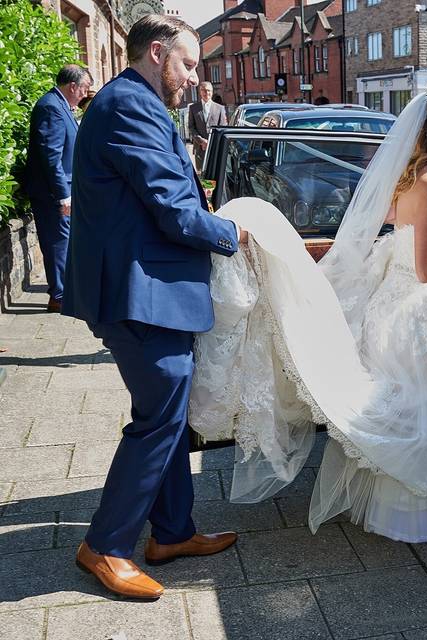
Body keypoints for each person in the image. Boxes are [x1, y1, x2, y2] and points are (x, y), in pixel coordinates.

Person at [190, 83, 427, 547]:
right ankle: (425, 517)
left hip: (407, 306)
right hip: (420, 313)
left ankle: (418, 509)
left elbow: (394, 231)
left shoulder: (420, 180)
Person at [62, 15, 246, 600]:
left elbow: (158, 193)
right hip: (139, 295)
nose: (194, 78)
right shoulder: (129, 104)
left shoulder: (132, 99)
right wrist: (233, 233)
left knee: (168, 413)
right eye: (189, 64)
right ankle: (105, 546)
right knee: (159, 416)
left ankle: (171, 532)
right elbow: (171, 208)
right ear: (158, 51)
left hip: (151, 290)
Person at [22, 65, 92, 312]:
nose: (84, 94)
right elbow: (51, 156)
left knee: (64, 241)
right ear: (72, 86)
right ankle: (59, 296)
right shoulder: (51, 107)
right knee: (58, 242)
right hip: (52, 193)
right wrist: (63, 195)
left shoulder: (60, 105)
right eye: (83, 89)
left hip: (61, 189)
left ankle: (65, 291)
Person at [188, 80, 226, 170]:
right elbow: (191, 127)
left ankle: (215, 185)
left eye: (209, 90)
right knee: (203, 176)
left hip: (215, 148)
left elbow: (222, 128)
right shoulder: (193, 108)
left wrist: (211, 142)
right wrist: (201, 141)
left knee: (215, 173)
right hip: (200, 149)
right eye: (204, 90)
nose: (206, 93)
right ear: (200, 92)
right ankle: (205, 185)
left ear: (212, 92)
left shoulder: (220, 108)